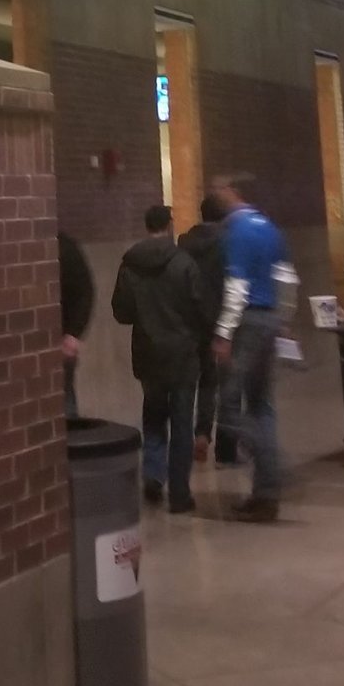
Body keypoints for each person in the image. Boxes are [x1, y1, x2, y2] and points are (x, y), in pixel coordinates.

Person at [111, 204, 211, 514]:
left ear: (146, 225)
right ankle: (180, 495)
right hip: (181, 354)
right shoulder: (184, 263)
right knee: (182, 423)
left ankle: (153, 477)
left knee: (153, 416)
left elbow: (121, 312)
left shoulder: (130, 264)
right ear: (169, 225)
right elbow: (201, 309)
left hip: (147, 353)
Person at [212, 173, 299, 523]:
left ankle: (271, 462)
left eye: (219, 188)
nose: (215, 193)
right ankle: (265, 495)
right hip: (270, 320)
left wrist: (223, 332)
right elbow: (288, 279)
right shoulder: (270, 229)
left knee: (230, 408)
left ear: (235, 193)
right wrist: (285, 319)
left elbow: (236, 286)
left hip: (246, 322)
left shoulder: (238, 232)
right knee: (262, 404)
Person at [178, 193, 229, 464]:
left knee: (188, 382)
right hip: (217, 322)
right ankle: (204, 434)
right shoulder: (226, 244)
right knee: (211, 381)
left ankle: (186, 435)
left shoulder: (184, 243)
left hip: (189, 321)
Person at [58, 231, 94, 418]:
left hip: (62, 338)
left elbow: (84, 293)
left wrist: (72, 334)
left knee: (65, 397)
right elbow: (86, 292)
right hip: (64, 337)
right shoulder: (67, 247)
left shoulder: (65, 248)